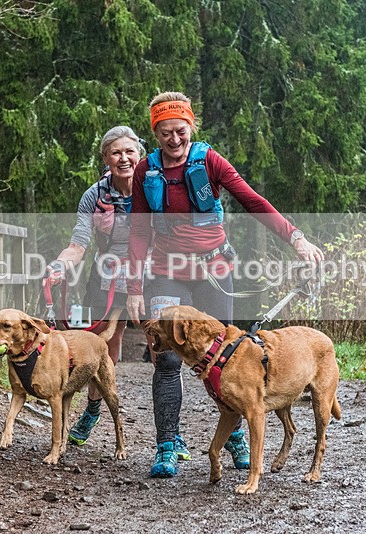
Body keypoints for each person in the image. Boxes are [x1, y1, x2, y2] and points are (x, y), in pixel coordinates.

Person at [125, 92, 324, 478]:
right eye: (165, 133)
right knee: (166, 356)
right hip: (165, 270)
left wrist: (296, 238)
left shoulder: (209, 161)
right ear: (156, 132)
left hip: (214, 269)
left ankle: (233, 436)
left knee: (228, 357)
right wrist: (134, 287)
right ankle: (167, 444)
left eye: (180, 131)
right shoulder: (144, 172)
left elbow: (253, 201)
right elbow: (136, 231)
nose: (174, 139)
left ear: (191, 126)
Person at [47, 125, 144, 447]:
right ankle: (92, 409)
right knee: (101, 346)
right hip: (107, 275)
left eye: (130, 151)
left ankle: (169, 435)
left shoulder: (154, 187)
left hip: (152, 273)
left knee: (163, 349)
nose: (124, 158)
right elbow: (78, 243)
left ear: (139, 154)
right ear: (105, 157)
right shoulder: (95, 195)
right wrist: (59, 266)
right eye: (116, 152)